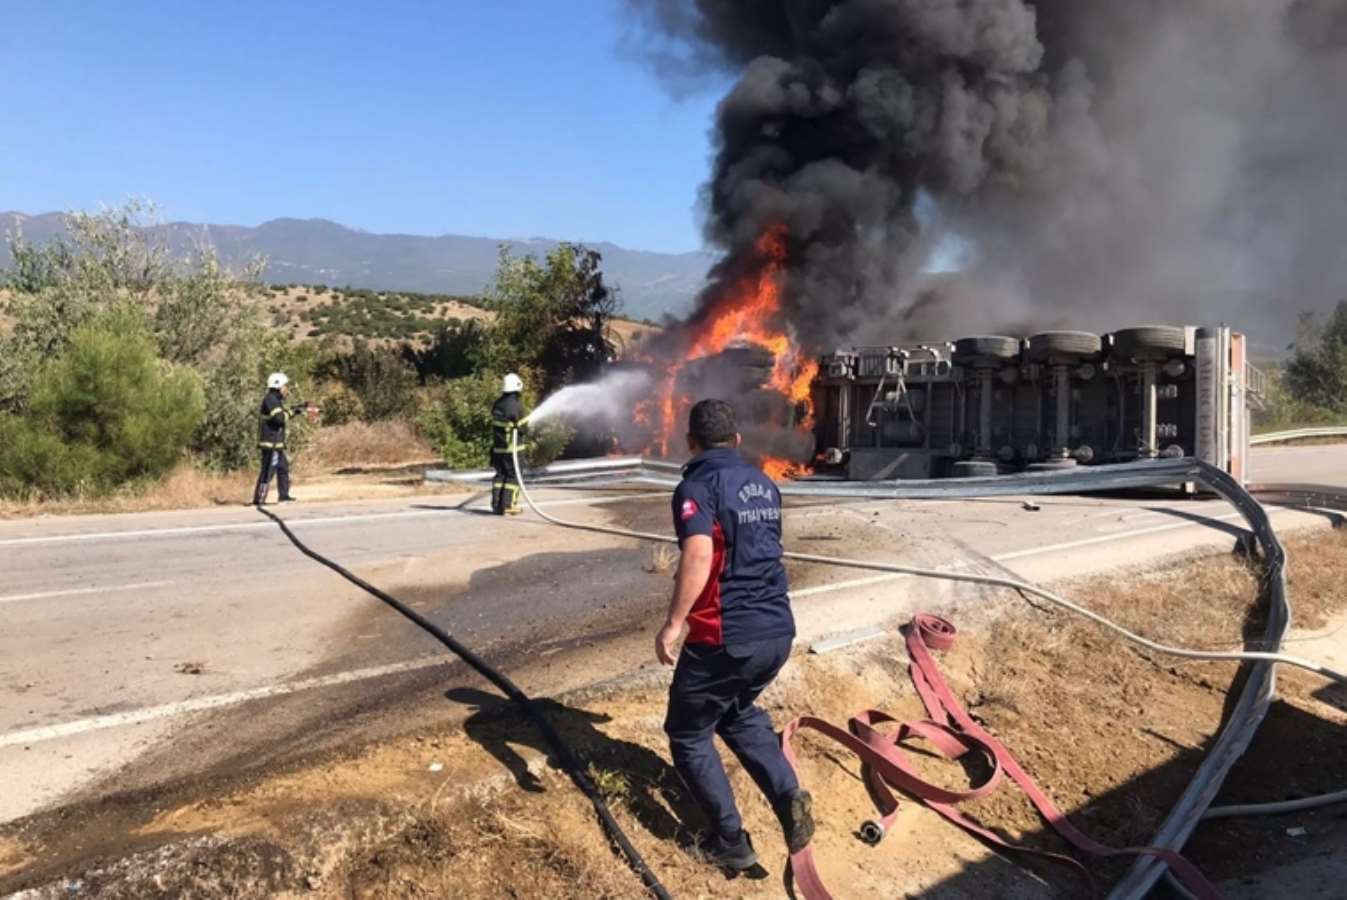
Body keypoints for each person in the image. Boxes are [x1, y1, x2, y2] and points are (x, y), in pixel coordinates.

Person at [657, 398, 814, 872]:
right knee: (737, 712)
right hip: (776, 632)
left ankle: (729, 840)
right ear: (737, 441)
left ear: (691, 442)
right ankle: (787, 794)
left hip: (727, 635)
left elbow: (700, 556)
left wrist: (674, 622)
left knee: (687, 732)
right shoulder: (765, 484)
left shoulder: (697, 486)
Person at [253, 372, 304, 506]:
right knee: (268, 471)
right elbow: (279, 419)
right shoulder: (271, 399)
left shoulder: (275, 400)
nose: (286, 389)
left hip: (276, 443)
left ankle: (284, 496)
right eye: (285, 386)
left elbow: (281, 415)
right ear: (278, 386)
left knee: (283, 468)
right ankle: (259, 499)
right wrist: (292, 412)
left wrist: (295, 410)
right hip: (271, 443)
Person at [490, 372, 529, 516]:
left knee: (500, 476)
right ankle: (509, 505)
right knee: (513, 477)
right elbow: (523, 427)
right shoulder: (516, 405)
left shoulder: (498, 404)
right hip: (512, 449)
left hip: (498, 449)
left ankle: (497, 505)